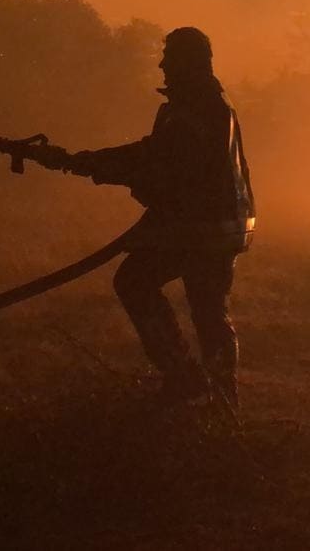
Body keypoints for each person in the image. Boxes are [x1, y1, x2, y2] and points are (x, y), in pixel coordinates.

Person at [35, 26, 256, 407]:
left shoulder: (200, 110)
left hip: (208, 229)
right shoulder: (199, 104)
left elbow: (154, 162)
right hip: (208, 224)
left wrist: (81, 163)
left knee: (189, 301)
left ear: (190, 62)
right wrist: (83, 162)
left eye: (170, 56)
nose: (162, 63)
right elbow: (155, 159)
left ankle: (209, 393)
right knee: (187, 300)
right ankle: (203, 388)